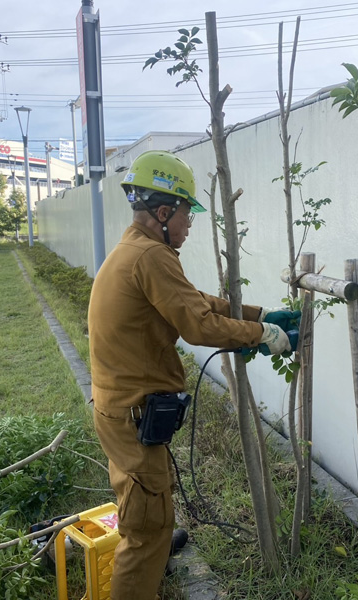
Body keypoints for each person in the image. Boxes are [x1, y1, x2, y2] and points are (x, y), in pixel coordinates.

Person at [88, 150, 297, 600]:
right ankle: (149, 553)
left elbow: (193, 299)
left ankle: (155, 545)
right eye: (188, 213)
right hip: (133, 414)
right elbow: (199, 324)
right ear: (164, 213)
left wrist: (260, 314)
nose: (190, 223)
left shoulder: (136, 250)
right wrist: (263, 334)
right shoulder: (152, 257)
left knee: (144, 509)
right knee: (147, 529)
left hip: (118, 411)